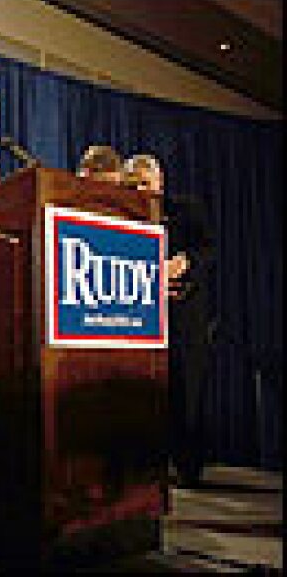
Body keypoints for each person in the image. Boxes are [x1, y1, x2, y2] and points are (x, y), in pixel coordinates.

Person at [125, 154, 214, 487]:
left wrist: (184, 260)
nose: (140, 190)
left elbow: (208, 250)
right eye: (133, 185)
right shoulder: (124, 213)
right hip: (142, 317)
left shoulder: (187, 209)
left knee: (187, 391)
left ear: (160, 182)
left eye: (146, 184)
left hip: (183, 316)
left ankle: (190, 467)